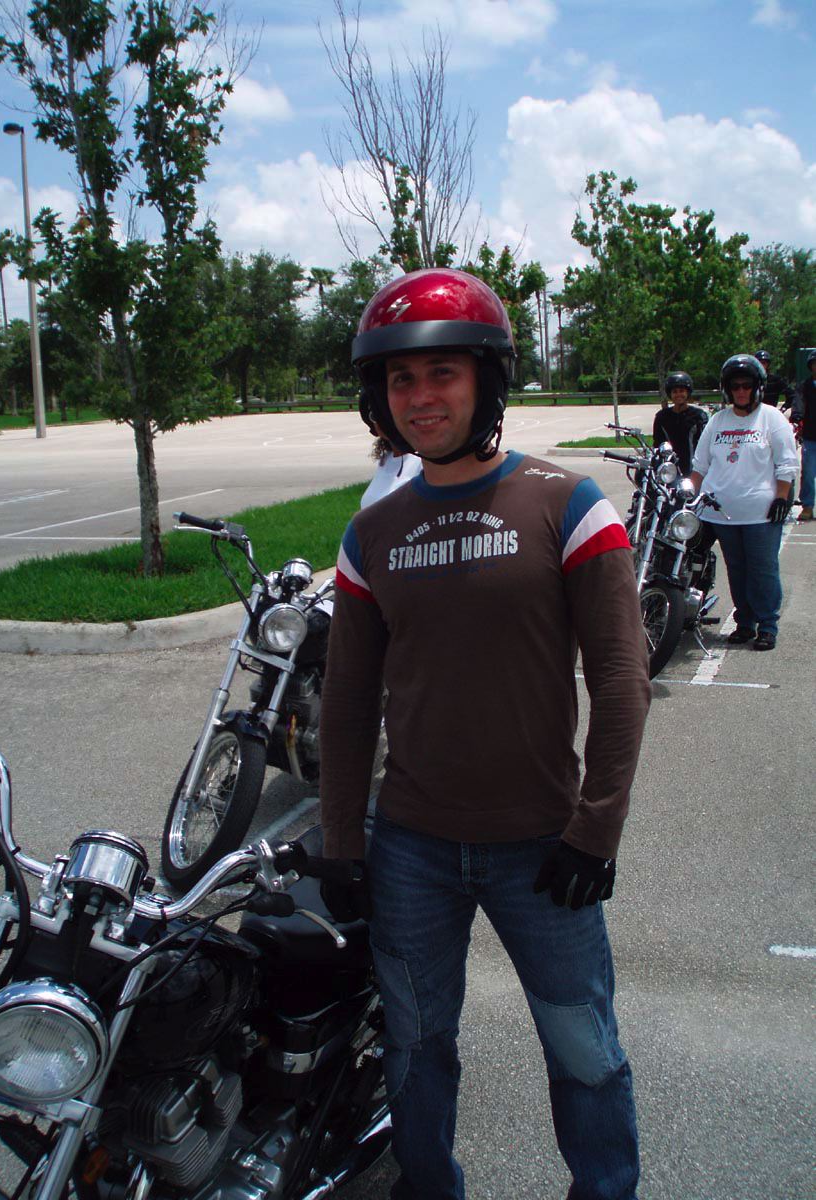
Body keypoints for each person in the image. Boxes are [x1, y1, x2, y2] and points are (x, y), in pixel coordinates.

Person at [318, 267, 652, 1200]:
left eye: (443, 373)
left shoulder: (568, 504)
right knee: (416, 1051)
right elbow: (347, 702)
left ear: (488, 381)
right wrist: (344, 840)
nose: (420, 397)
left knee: (585, 1050)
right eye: (401, 379)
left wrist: (597, 828)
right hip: (411, 850)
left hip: (545, 847)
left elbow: (621, 677)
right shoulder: (373, 533)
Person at [690, 354, 798, 651]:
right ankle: (745, 622)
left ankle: (767, 625)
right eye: (735, 386)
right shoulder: (718, 421)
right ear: (727, 389)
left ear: (757, 387)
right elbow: (700, 466)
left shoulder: (771, 418)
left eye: (746, 385)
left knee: (762, 569)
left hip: (760, 513)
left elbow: (787, 462)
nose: (741, 391)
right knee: (736, 569)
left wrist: (782, 495)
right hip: (722, 513)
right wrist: (687, 495)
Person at [652, 370, 708, 475]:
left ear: (687, 392)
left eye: (681, 391)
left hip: (694, 471)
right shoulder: (661, 417)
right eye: (675, 392)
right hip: (669, 472)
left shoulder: (698, 416)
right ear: (670, 394)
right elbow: (657, 444)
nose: (678, 394)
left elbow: (705, 445)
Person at [792, 348, 816, 520]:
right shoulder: (805, 386)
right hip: (810, 435)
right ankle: (807, 506)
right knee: (808, 472)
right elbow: (798, 403)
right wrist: (797, 416)